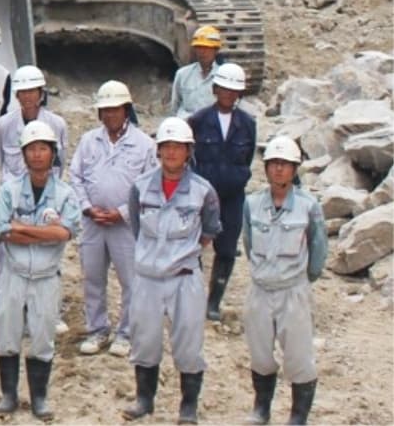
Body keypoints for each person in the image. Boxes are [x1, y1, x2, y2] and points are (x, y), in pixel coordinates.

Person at [121, 117, 221, 424]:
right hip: (148, 278)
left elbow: (208, 232)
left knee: (189, 344)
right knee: (145, 341)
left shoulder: (204, 192)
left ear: (189, 151)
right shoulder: (140, 188)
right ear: (159, 151)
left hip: (184, 278)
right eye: (167, 146)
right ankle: (144, 400)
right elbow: (138, 229)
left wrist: (180, 255)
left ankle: (188, 407)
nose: (172, 153)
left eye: (178, 147)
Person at [0, 120, 79, 421]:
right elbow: (0, 230)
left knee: (42, 337)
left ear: (53, 153)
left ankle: (39, 398)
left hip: (46, 276)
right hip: (13, 273)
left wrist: (23, 228)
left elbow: (66, 233)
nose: (38, 154)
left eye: (44, 148)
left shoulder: (64, 193)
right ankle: (8, 395)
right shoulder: (9, 190)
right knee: (7, 335)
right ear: (24, 155)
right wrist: (44, 231)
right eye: (32, 149)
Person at [241, 136, 325, 426]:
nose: (278, 170)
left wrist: (302, 279)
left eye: (285, 165)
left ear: (295, 169)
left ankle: (297, 416)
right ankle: (261, 408)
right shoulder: (252, 204)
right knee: (261, 353)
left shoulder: (308, 206)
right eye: (273, 164)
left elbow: (318, 250)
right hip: (260, 290)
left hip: (293, 291)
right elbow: (249, 244)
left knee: (299, 358)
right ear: (265, 168)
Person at [71, 80, 155, 358]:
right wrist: (87, 207)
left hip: (125, 225)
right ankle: (97, 329)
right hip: (93, 222)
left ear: (126, 110)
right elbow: (76, 176)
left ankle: (127, 332)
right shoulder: (88, 141)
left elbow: (148, 185)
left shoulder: (143, 145)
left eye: (115, 109)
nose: (109, 115)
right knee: (93, 278)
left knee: (131, 280)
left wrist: (120, 211)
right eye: (105, 110)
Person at [187, 61, 257, 322]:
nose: (228, 95)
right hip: (202, 195)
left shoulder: (247, 124)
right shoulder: (199, 120)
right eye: (224, 89)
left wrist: (235, 179)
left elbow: (247, 158)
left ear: (239, 94)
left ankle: (214, 301)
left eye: (233, 91)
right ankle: (192, 295)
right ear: (215, 89)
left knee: (227, 250)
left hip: (232, 197)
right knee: (193, 246)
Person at [169, 25, 224, 118]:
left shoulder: (224, 77)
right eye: (199, 47)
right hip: (187, 127)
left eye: (207, 47)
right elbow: (175, 106)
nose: (203, 52)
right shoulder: (183, 74)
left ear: (216, 50)